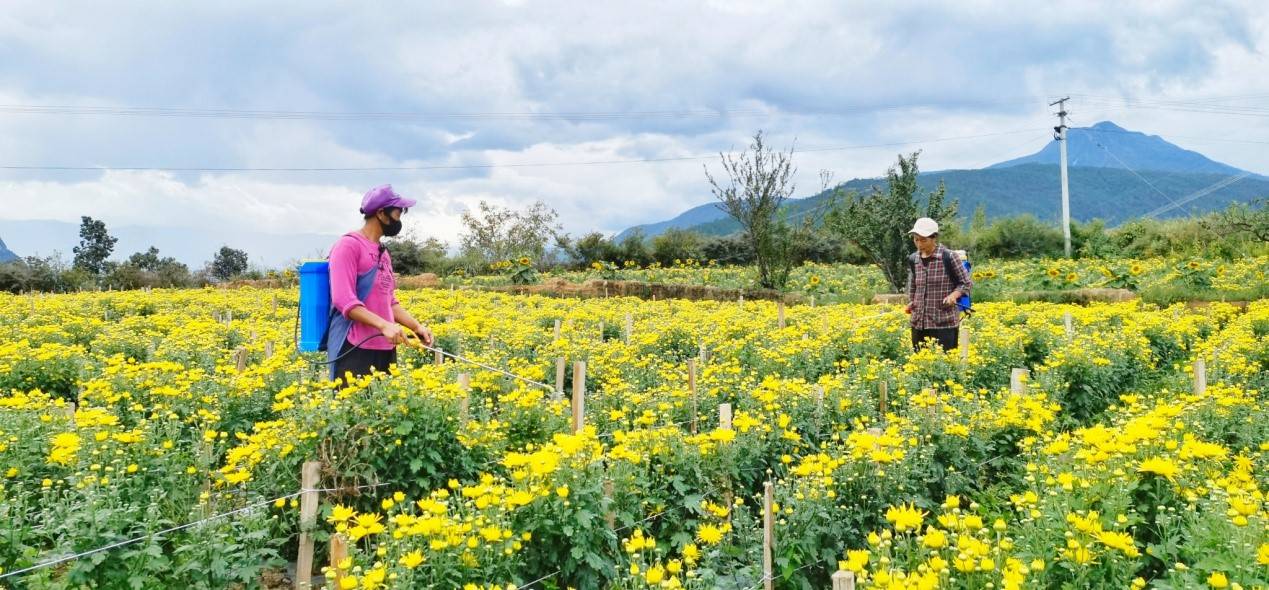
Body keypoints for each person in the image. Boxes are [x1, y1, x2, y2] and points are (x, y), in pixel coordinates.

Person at [325, 184, 434, 380]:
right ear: (381, 214)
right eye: (398, 212)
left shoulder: (383, 252)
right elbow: (344, 301)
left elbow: (389, 301)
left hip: (385, 346)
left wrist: (416, 327)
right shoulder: (348, 246)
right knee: (353, 409)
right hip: (354, 347)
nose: (399, 218)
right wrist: (384, 325)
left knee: (384, 410)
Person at [904, 217, 972, 351]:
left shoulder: (949, 257)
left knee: (944, 364)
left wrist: (954, 295)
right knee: (920, 364)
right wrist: (912, 302)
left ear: (934, 238)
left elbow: (966, 283)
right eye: (916, 239)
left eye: (923, 240)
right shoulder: (914, 259)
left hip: (943, 323)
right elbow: (913, 286)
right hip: (919, 323)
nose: (919, 244)